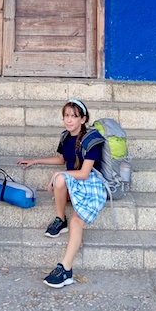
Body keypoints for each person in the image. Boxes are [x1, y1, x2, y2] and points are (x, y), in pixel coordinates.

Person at [17, 98, 106, 288]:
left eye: (74, 116)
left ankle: (65, 269)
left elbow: (84, 173)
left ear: (83, 119)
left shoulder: (92, 140)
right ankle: (60, 219)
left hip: (90, 183)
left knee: (76, 220)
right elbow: (61, 159)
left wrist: (60, 173)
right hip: (73, 179)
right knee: (59, 178)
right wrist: (36, 160)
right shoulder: (65, 136)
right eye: (66, 115)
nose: (69, 120)